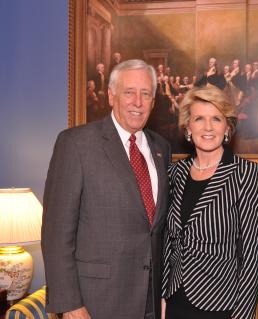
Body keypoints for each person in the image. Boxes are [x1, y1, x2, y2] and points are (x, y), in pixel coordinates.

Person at [42, 59, 171, 319]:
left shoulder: (161, 148)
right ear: (111, 96)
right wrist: (69, 304)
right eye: (129, 92)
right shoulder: (76, 144)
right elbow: (56, 233)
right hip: (95, 303)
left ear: (153, 102)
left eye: (145, 94)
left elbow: (156, 230)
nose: (138, 101)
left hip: (150, 303)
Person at [162, 86, 258, 319]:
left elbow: (250, 252)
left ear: (227, 127)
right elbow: (168, 242)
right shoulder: (175, 173)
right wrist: (163, 296)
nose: (208, 127)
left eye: (216, 119)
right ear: (188, 127)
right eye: (199, 119)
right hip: (176, 301)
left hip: (221, 305)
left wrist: (243, 314)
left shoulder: (243, 173)